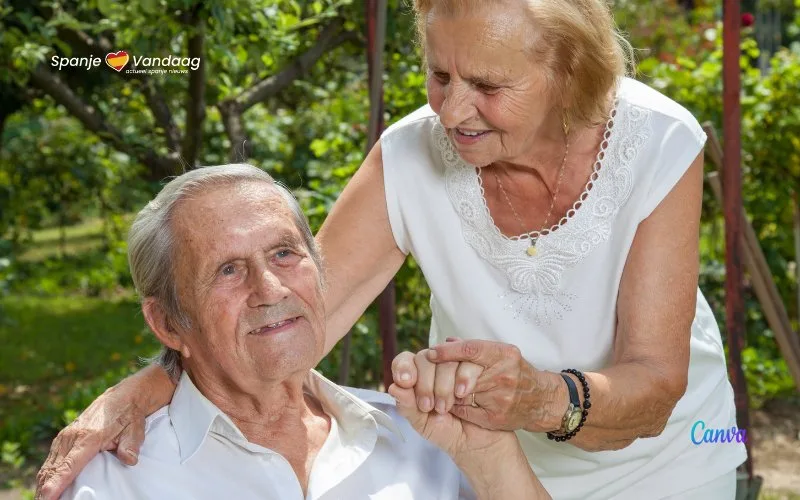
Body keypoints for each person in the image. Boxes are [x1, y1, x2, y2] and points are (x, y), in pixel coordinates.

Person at [37, 0, 747, 499]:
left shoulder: (657, 140)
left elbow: (654, 383)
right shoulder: (411, 155)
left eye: (488, 86)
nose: (451, 110)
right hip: (480, 466)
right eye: (440, 75)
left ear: (569, 73)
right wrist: (152, 379)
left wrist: (533, 397)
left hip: (665, 461)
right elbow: (286, 315)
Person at [58, 164, 549, 500]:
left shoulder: (420, 435)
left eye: (284, 254)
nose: (269, 288)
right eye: (228, 270)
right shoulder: (118, 479)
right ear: (168, 323)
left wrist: (489, 455)